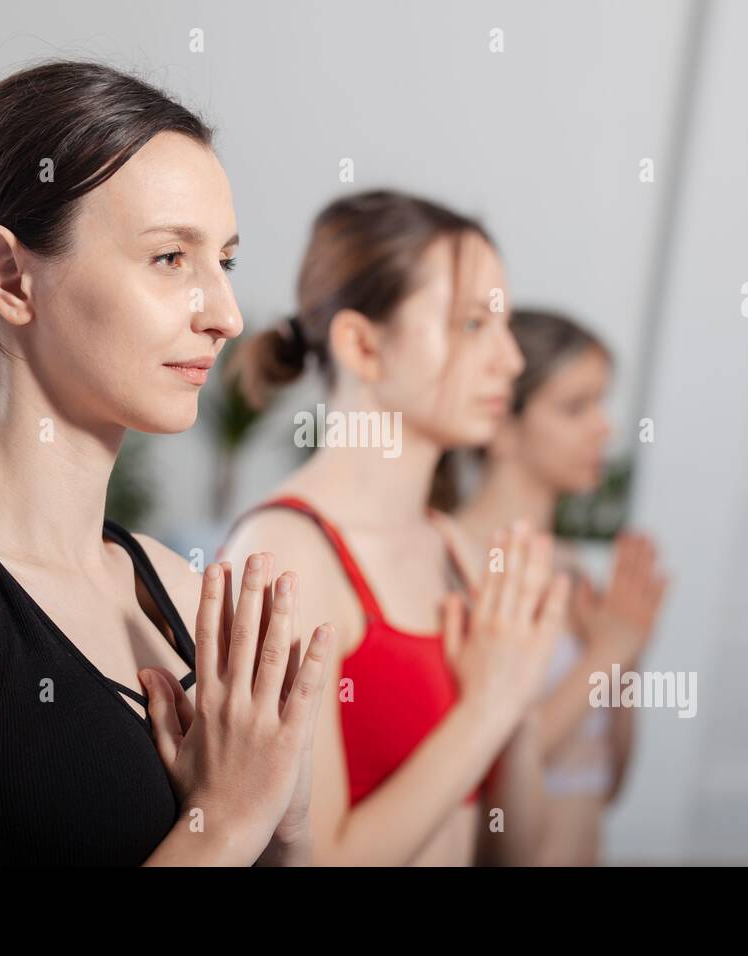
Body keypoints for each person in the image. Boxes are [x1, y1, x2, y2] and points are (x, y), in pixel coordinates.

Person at [0, 60, 335, 866]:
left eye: (225, 262)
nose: (228, 315)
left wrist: (288, 824)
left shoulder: (182, 590)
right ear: (9, 276)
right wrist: (228, 822)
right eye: (171, 258)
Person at [222, 191, 568, 866]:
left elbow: (517, 853)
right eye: (472, 325)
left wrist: (517, 703)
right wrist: (488, 709)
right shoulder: (286, 554)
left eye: (505, 327)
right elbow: (309, 861)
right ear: (361, 344)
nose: (511, 361)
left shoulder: (457, 551)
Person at [449, 308, 668, 865]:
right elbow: (473, 777)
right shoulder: (455, 561)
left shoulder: (577, 572)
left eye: (602, 402)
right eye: (576, 407)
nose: (605, 428)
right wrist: (608, 652)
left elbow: (608, 781)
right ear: (501, 424)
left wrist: (627, 652)